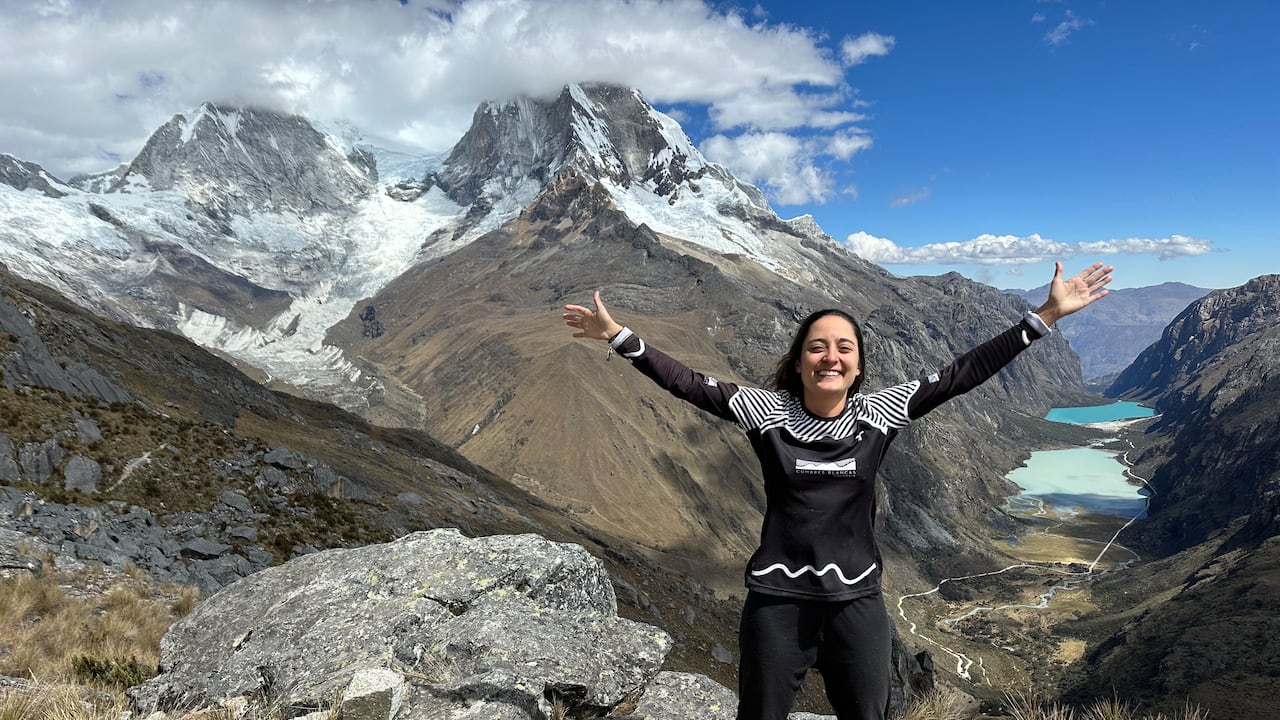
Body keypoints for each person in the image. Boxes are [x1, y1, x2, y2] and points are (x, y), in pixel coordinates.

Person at [563, 261, 1113, 720]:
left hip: (857, 602)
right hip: (777, 602)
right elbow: (685, 381)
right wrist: (617, 336)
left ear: (857, 368)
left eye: (844, 348)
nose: (831, 356)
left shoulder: (882, 412)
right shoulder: (763, 411)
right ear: (799, 362)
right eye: (818, 347)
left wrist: (1044, 317)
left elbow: (960, 374)